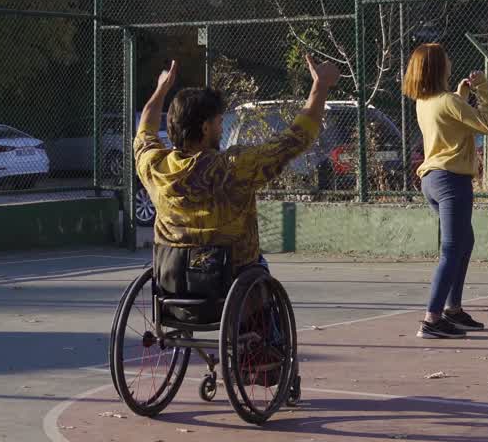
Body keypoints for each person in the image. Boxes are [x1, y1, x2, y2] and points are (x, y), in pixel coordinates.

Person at [135, 55, 340, 315]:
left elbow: (145, 130)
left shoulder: (154, 167)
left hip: (173, 286)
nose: (222, 129)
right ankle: (267, 345)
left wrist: (161, 89)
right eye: (220, 122)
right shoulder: (234, 167)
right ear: (206, 127)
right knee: (259, 267)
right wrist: (319, 87)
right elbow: (294, 139)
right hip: (232, 288)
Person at [403, 43, 488, 339]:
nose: (449, 62)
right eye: (446, 59)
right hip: (451, 181)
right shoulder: (448, 101)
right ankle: (432, 319)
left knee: (463, 242)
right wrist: (482, 89)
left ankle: (453, 310)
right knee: (452, 249)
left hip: (432, 180)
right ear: (437, 67)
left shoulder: (426, 101)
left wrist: (462, 95)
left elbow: (449, 121)